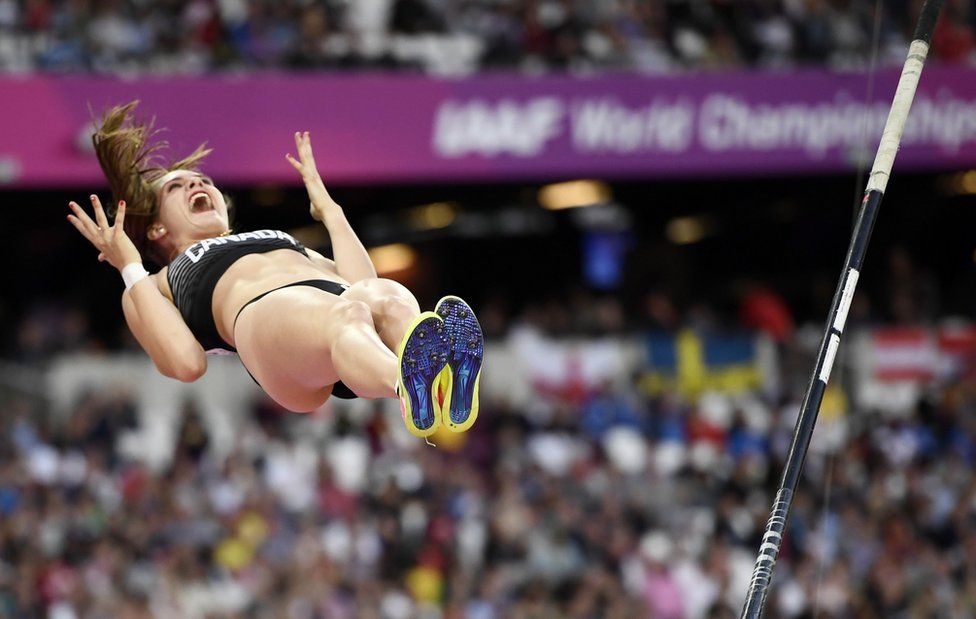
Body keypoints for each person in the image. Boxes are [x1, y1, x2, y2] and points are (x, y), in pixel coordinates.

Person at [66, 101, 483, 439]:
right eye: (177, 187)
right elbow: (186, 363)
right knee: (350, 313)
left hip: (332, 312)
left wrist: (331, 213)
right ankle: (407, 382)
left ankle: (438, 386)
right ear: (156, 227)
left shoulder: (274, 236)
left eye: (201, 180)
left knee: (385, 296)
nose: (197, 185)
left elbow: (359, 283)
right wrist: (129, 267)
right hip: (270, 332)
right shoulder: (153, 282)